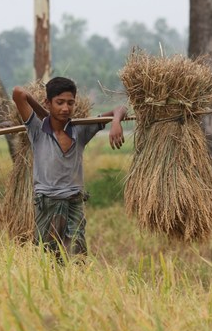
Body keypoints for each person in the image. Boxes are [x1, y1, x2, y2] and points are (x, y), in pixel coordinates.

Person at [12, 77, 127, 260]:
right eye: (59, 103)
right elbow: (19, 92)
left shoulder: (80, 130)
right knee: (46, 259)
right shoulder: (38, 130)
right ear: (47, 102)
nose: (65, 108)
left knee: (77, 258)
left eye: (70, 103)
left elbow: (120, 109)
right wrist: (44, 113)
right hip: (46, 203)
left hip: (74, 203)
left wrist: (115, 122)